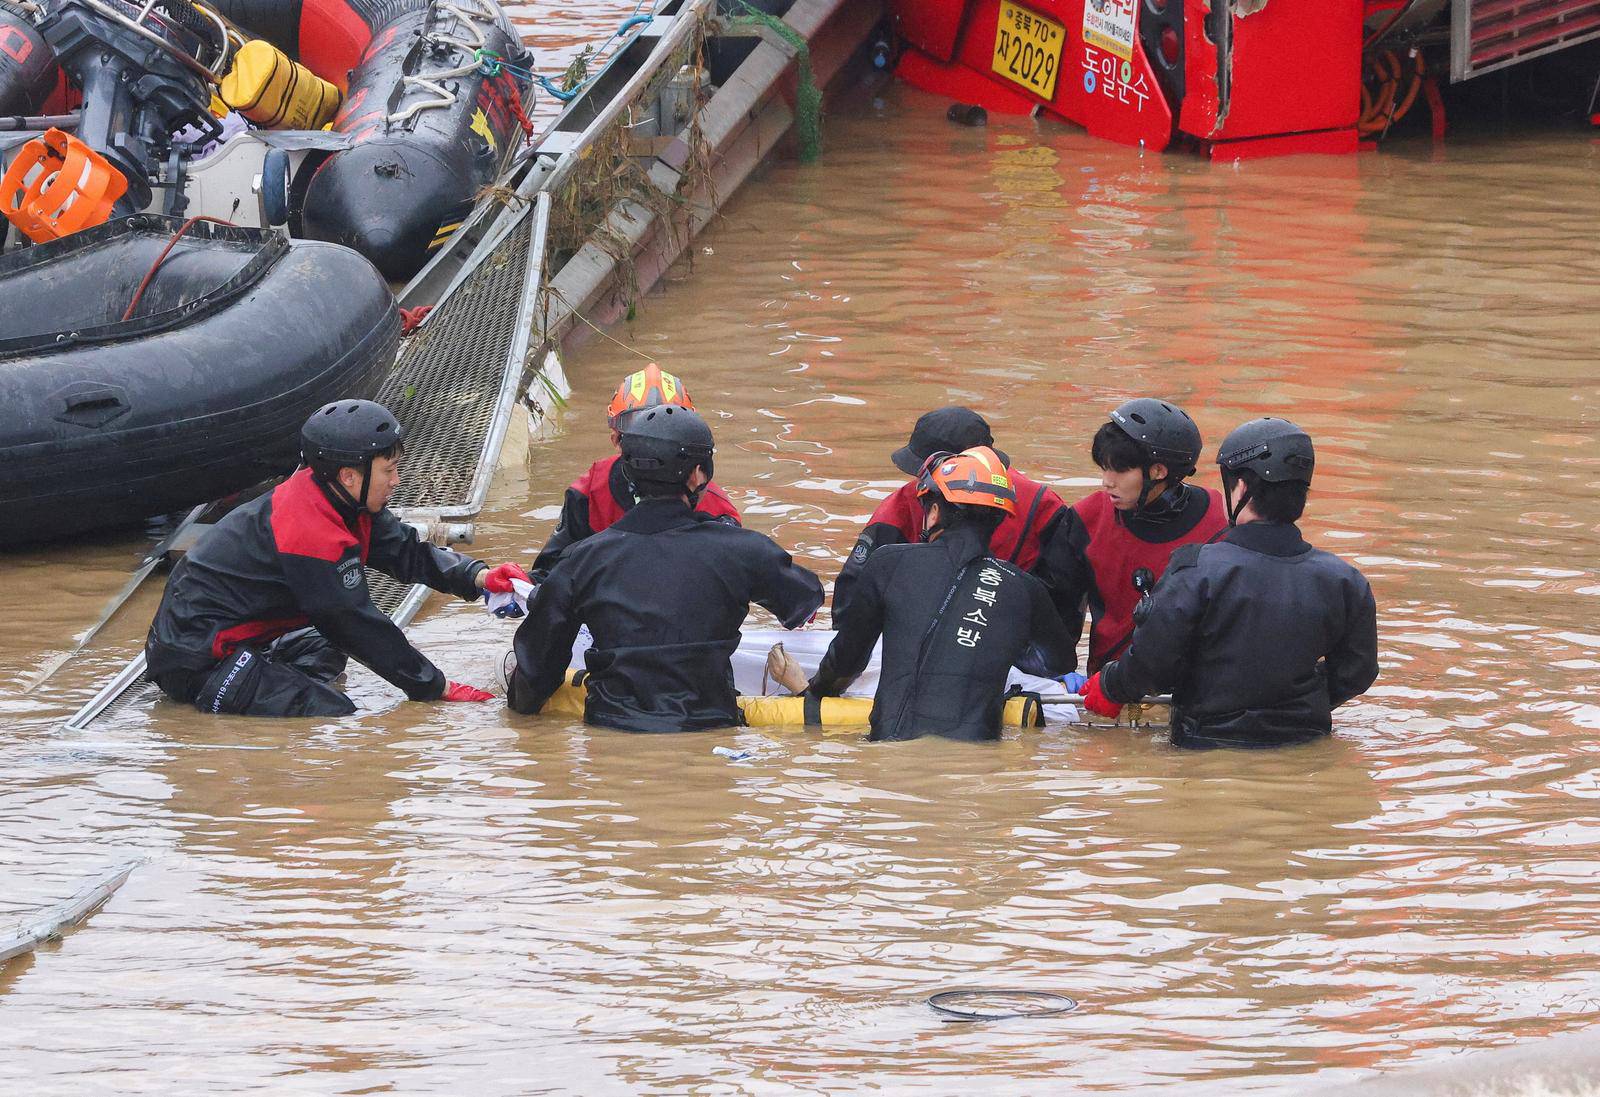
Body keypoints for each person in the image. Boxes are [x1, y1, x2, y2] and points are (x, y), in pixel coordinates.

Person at [145, 400, 528, 717]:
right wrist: (436, 687)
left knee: (326, 650)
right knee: (334, 713)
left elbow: (406, 551)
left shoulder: (344, 500)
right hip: (197, 659)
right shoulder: (309, 531)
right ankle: (243, 690)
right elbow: (356, 623)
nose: (396, 480)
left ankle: (266, 681)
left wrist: (479, 577)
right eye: (388, 470)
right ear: (349, 475)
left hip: (244, 635)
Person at [506, 404, 823, 732]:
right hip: (709, 734)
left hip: (610, 733)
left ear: (628, 471)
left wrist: (522, 713)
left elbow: (536, 669)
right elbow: (805, 601)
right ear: (699, 474)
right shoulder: (743, 551)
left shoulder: (582, 560)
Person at [1080, 417, 1379, 749]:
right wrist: (1301, 702)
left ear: (1240, 488)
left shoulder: (1197, 568)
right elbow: (1358, 672)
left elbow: (1154, 662)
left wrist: (1110, 685)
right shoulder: (1345, 581)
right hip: (1305, 743)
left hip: (1205, 744)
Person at [806, 446, 1075, 742]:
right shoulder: (1024, 588)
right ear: (1000, 518)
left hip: (887, 754)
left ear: (934, 512)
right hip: (976, 762)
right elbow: (1056, 664)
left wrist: (814, 690)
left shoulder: (887, 563)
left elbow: (846, 661)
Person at [1032, 398, 1227, 691]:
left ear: (1159, 471)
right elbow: (1055, 617)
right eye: (1104, 468)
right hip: (1107, 692)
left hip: (1193, 696)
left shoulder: (1221, 523)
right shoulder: (1087, 519)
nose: (1106, 483)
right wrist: (1052, 676)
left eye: (1119, 471)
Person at [833, 406, 1064, 618]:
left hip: (1001, 634)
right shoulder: (899, 509)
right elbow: (850, 600)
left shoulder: (1044, 510)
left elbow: (1060, 604)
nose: (919, 484)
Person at [531, 363, 741, 578]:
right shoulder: (590, 492)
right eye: (641, 435)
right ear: (616, 440)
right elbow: (549, 572)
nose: (653, 448)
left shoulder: (717, 508)